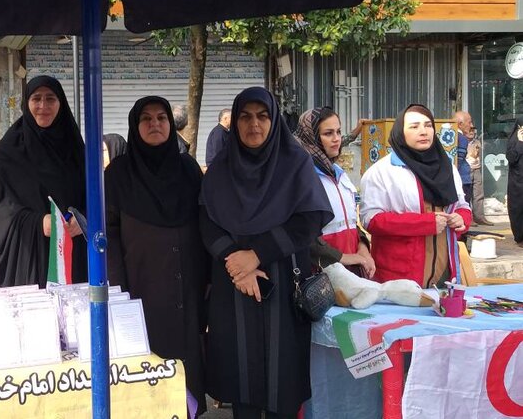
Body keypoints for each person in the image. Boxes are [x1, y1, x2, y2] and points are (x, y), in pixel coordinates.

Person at [200, 87, 332, 418]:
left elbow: (309, 220)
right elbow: (206, 221)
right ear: (234, 122)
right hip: (235, 285)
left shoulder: (295, 163)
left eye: (262, 116)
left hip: (283, 282)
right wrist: (236, 264)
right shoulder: (221, 169)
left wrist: (256, 255)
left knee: (281, 386)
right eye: (245, 116)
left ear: (274, 121)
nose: (254, 124)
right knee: (241, 385)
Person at [105, 96, 208, 416]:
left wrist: (207, 282)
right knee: (146, 374)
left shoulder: (188, 168)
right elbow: (109, 234)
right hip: (140, 289)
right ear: (134, 126)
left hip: (187, 289)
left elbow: (205, 222)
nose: (155, 124)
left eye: (161, 118)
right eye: (146, 119)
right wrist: (119, 292)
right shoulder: (118, 174)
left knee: (186, 372)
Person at [0, 75, 86, 288]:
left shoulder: (74, 146)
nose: (43, 106)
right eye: (36, 98)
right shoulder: (9, 150)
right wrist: (38, 223)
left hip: (74, 257)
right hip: (28, 258)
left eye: (50, 99)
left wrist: (83, 220)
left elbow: (92, 195)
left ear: (61, 103)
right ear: (26, 103)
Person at [360, 104, 471, 288]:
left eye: (428, 125)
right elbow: (371, 221)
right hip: (400, 278)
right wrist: (425, 223)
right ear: (400, 132)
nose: (423, 132)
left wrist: (462, 218)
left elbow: (462, 205)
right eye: (414, 126)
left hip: (444, 273)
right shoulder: (381, 172)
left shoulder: (447, 167)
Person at [295, 107, 375, 278]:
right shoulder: (300, 177)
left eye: (338, 132)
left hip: (351, 272)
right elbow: (299, 233)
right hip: (320, 276)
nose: (336, 138)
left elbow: (350, 220)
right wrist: (341, 257)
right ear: (311, 137)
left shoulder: (338, 173)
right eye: (328, 133)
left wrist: (363, 248)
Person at [456, 110, 493, 225]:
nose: (471, 126)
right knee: (464, 198)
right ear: (460, 124)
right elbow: (458, 160)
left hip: (471, 170)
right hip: (462, 174)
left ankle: (478, 216)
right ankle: (467, 219)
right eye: (469, 122)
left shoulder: (473, 141)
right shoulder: (460, 138)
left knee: (477, 194)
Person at [507, 116, 523, 247]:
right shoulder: (514, 140)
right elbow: (511, 158)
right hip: (518, 182)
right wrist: (520, 142)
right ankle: (520, 237)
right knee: (518, 209)